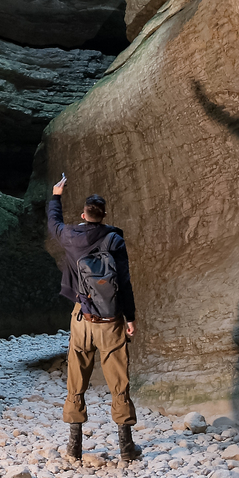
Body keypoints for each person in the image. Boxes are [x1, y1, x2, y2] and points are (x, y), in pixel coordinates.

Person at [47, 173, 140, 463]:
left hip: (81, 318)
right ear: (104, 215)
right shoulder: (115, 239)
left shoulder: (71, 237)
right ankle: (126, 447)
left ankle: (74, 445)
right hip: (110, 321)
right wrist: (130, 317)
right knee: (118, 380)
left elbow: (53, 224)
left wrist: (56, 195)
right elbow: (123, 283)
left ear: (84, 215)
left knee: (77, 377)